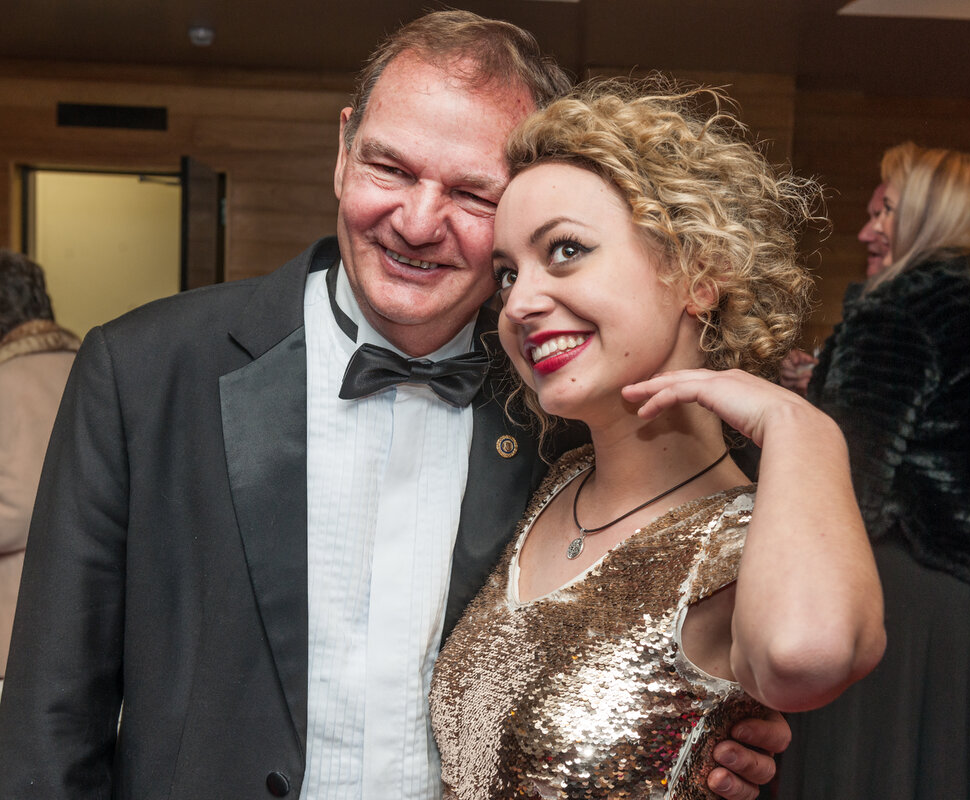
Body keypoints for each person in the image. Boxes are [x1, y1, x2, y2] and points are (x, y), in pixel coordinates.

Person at [0, 12, 790, 800]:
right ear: (344, 150)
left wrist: (696, 736)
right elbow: (50, 718)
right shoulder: (143, 372)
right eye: (391, 169)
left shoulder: (567, 410)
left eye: (473, 193)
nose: (417, 222)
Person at [429, 78, 885, 799]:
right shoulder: (552, 483)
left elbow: (806, 656)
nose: (518, 303)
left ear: (697, 273)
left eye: (567, 250)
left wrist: (799, 424)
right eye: (508, 274)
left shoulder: (749, 535)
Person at [778, 143, 970, 799]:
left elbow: (847, 484)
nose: (866, 230)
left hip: (901, 599)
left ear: (934, 218)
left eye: (887, 213)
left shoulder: (897, 307)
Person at [0, 250, 79, 696]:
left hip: (14, 614)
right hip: (81, 606)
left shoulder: (7, 380)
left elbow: (19, 506)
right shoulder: (87, 361)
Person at [778, 182, 891, 395]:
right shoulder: (873, 310)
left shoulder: (913, 318)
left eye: (881, 215)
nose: (864, 234)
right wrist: (815, 376)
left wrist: (820, 389)